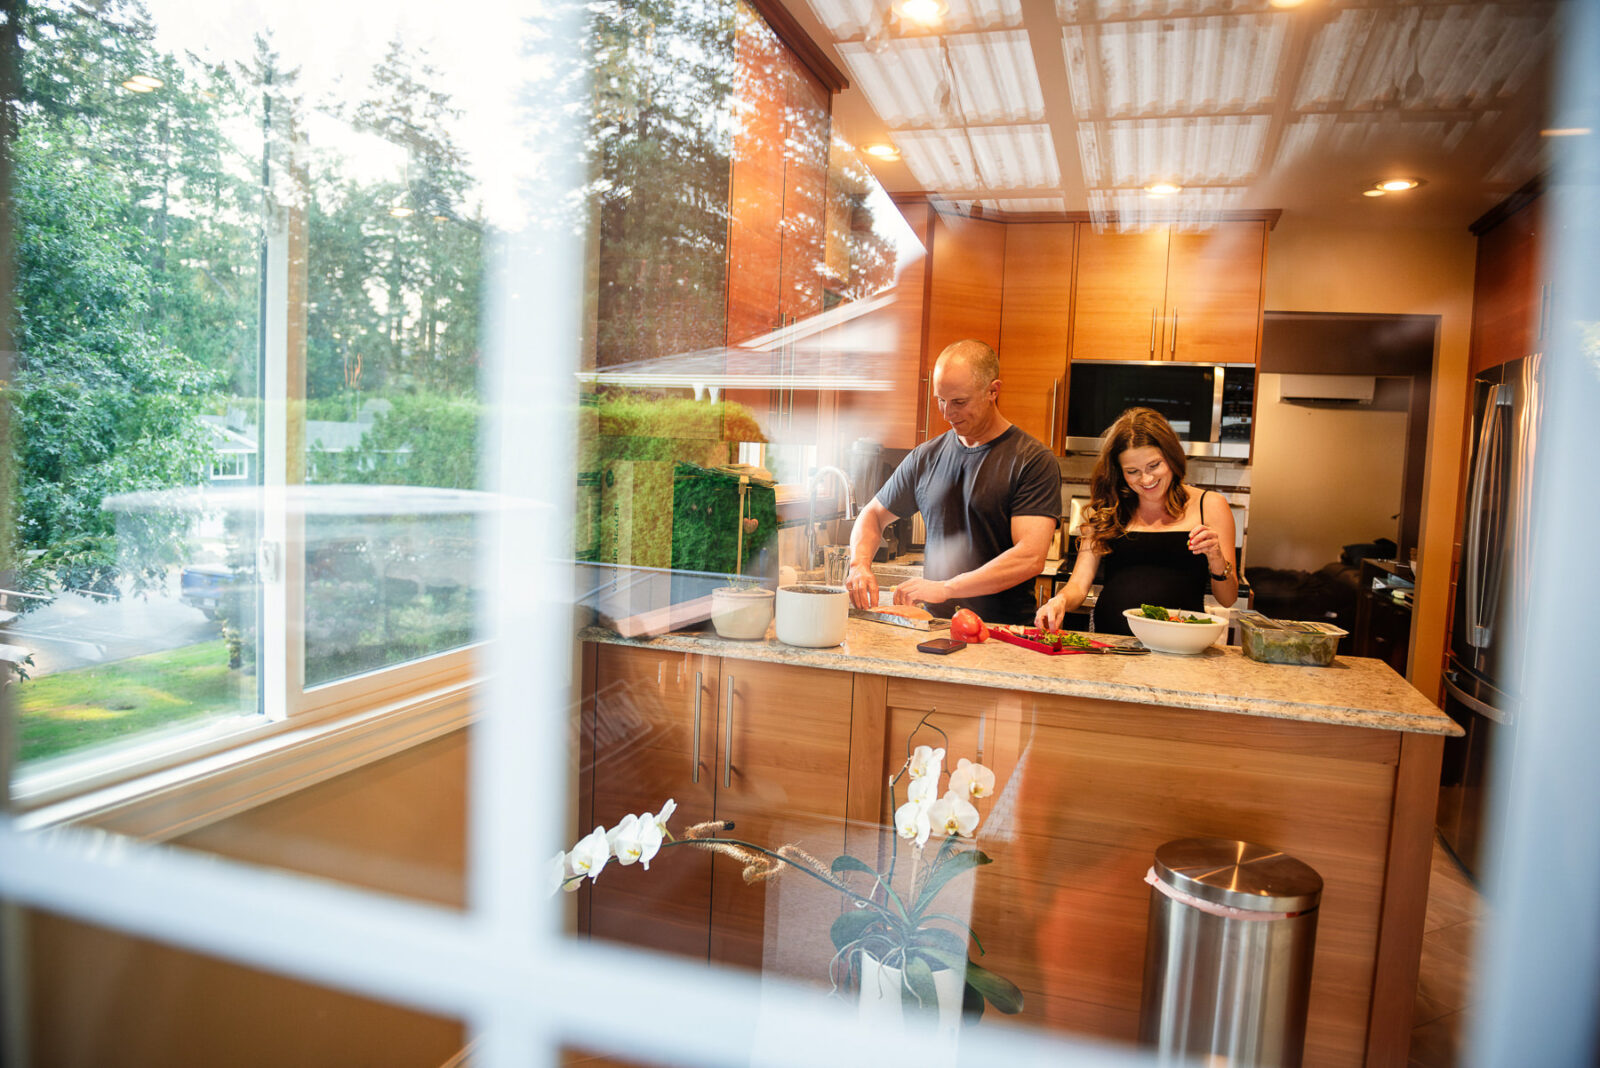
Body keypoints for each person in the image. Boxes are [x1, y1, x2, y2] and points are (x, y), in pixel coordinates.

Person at [844, 340, 1060, 626]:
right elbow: (872, 515)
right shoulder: (925, 457)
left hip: (1001, 631)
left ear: (993, 391)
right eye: (940, 400)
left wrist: (946, 588)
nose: (947, 413)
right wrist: (859, 565)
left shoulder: (1032, 460)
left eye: (959, 402)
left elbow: (1030, 557)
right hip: (935, 628)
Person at [1036, 407, 1238, 636]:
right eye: (1132, 471)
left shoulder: (1209, 505)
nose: (1147, 479)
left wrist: (1216, 558)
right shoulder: (1108, 510)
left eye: (1154, 465)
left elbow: (1228, 598)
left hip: (1180, 650)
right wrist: (1060, 600)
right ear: (1119, 472)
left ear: (1171, 457)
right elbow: (1079, 585)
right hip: (1112, 644)